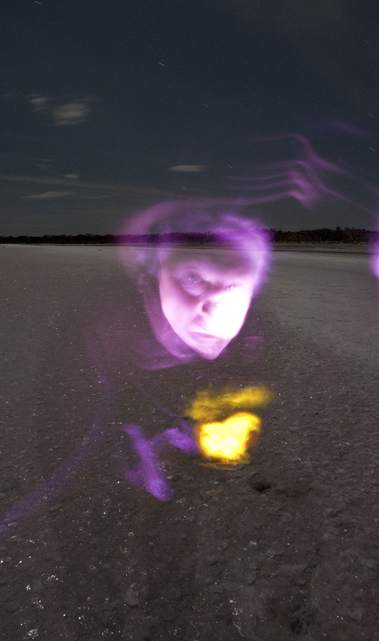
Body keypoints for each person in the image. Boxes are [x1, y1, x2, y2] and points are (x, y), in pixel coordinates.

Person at [88, 202, 273, 499]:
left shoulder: (247, 342)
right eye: (193, 278)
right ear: (147, 281)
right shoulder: (108, 344)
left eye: (234, 288)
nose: (214, 310)